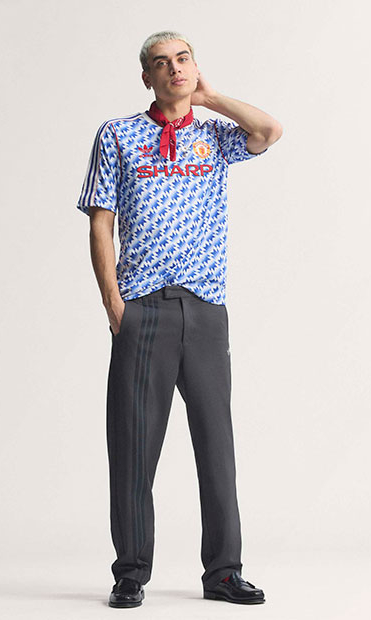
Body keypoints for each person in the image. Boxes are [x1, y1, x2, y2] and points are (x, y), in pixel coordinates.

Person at [76, 30, 282, 608]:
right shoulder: (118, 135)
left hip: (206, 308)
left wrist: (210, 99)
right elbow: (100, 221)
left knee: (217, 446)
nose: (174, 69)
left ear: (195, 66)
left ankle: (223, 572)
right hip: (143, 308)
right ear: (147, 77)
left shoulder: (215, 136)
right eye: (162, 63)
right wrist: (114, 304)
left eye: (183, 59)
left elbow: (269, 131)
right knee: (134, 446)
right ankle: (131, 572)